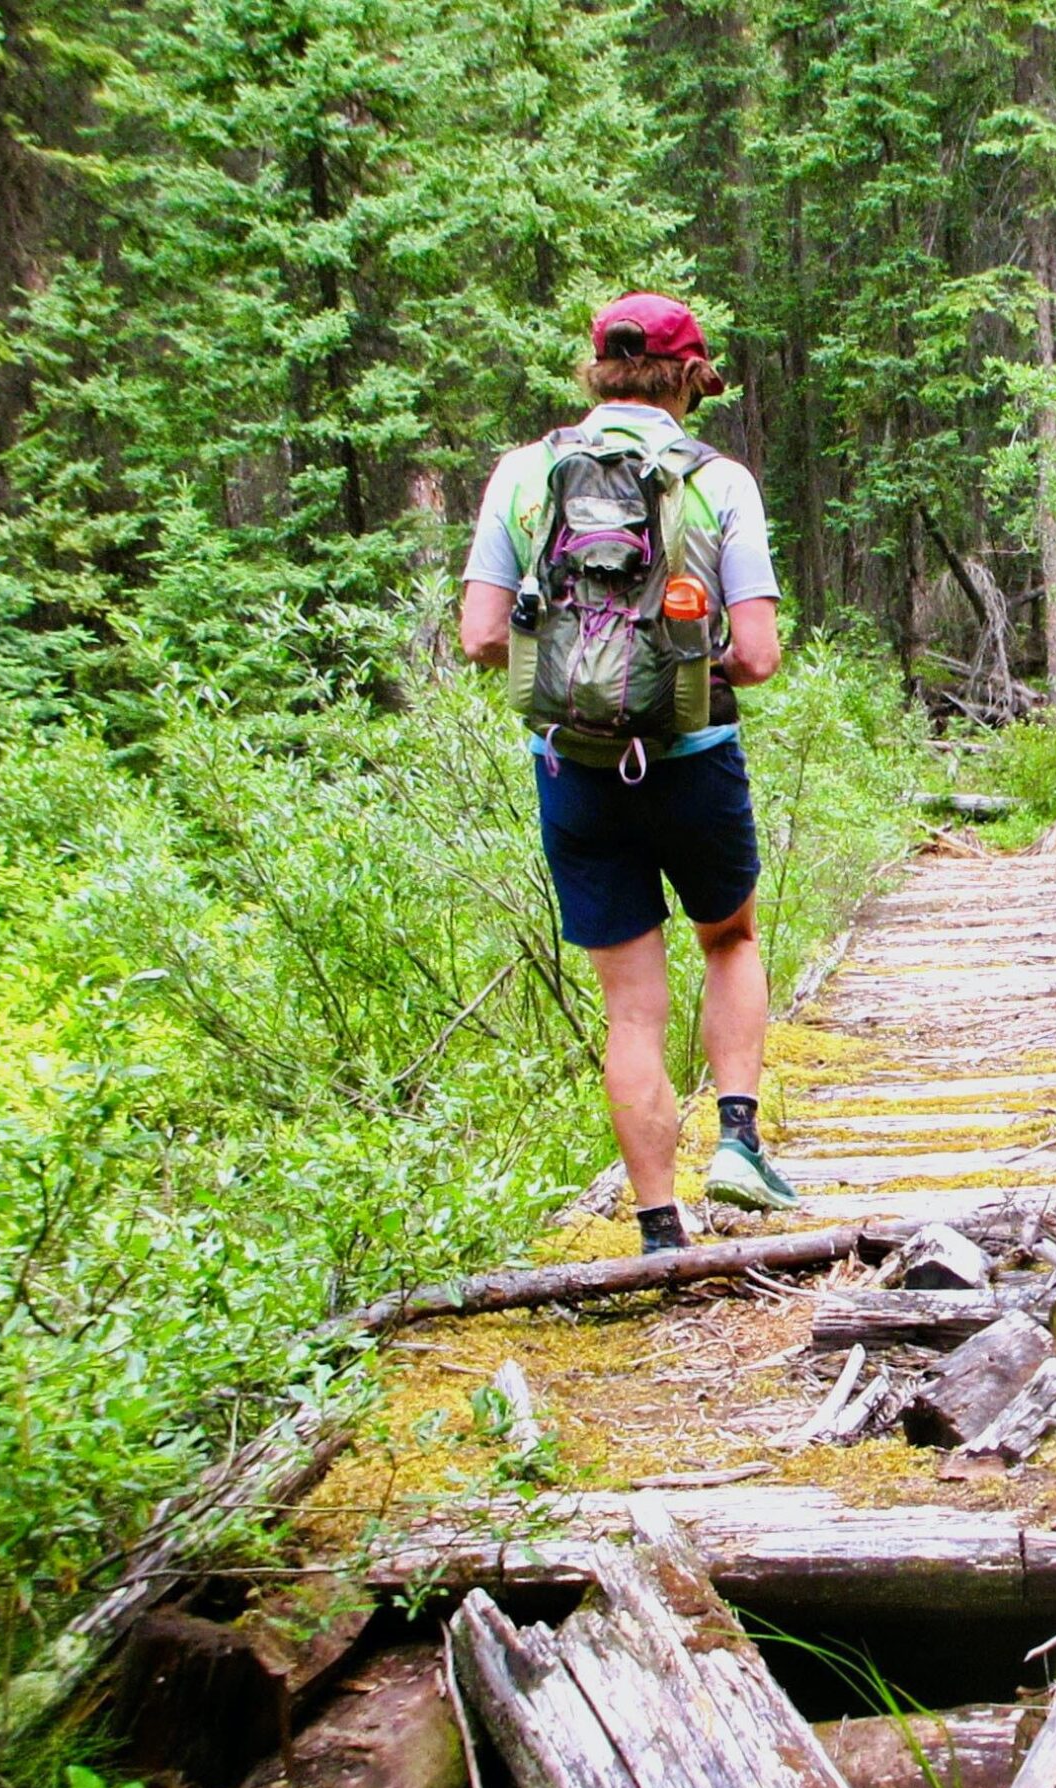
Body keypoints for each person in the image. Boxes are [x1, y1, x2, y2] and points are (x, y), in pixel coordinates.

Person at [458, 292, 799, 1251]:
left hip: (574, 769)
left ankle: (659, 1229)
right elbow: (761, 656)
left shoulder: (525, 474)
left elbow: (483, 635)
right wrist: (678, 668)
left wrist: (572, 660)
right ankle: (738, 1139)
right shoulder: (719, 481)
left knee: (628, 1006)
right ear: (693, 378)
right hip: (691, 756)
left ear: (595, 369)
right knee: (728, 938)